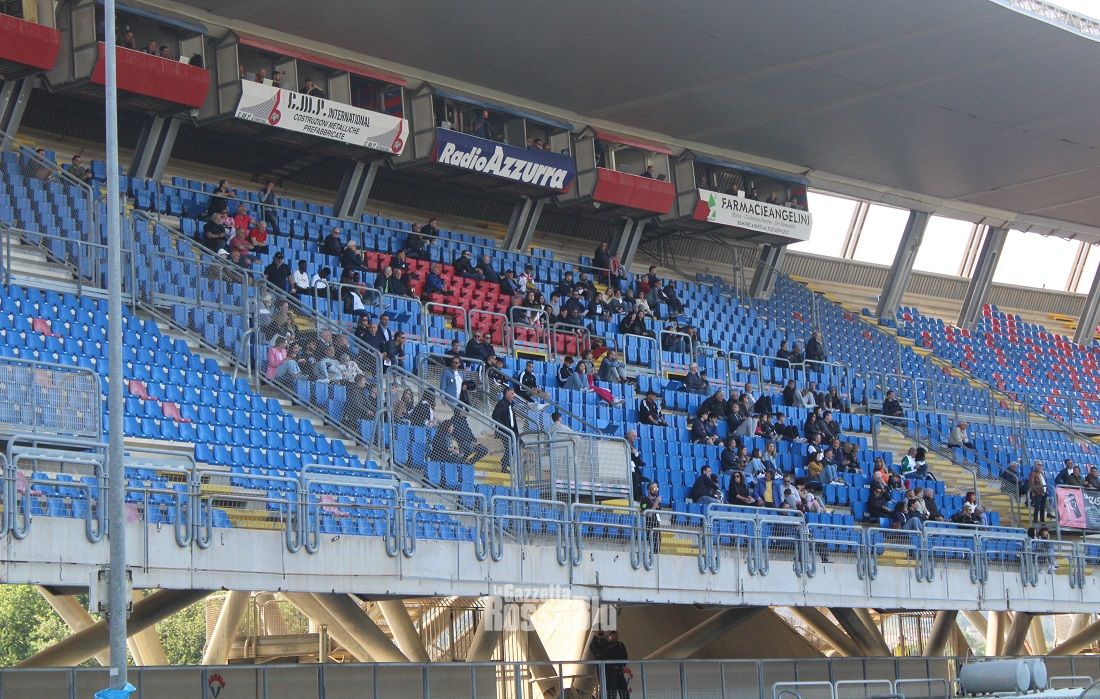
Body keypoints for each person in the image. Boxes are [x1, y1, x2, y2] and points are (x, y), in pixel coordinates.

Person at [590, 630, 629, 699]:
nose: (615, 637)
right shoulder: (605, 644)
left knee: (624, 693)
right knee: (611, 693)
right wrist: (596, 636)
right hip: (609, 674)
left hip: (619, 673)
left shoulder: (620, 645)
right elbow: (595, 649)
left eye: (616, 635)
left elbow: (624, 657)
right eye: (613, 635)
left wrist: (619, 665)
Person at [491, 388, 519, 473]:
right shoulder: (501, 403)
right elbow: (495, 416)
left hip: (512, 431)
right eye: (512, 393)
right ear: (506, 394)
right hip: (505, 431)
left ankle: (505, 462)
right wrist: (504, 427)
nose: (513, 395)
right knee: (509, 448)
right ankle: (504, 464)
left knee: (513, 448)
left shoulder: (510, 405)